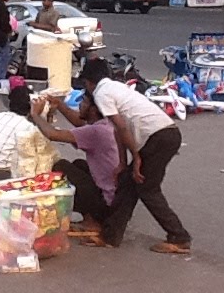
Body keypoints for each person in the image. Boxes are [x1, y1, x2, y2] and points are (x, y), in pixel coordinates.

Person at [79, 58, 191, 254]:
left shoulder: (101, 93)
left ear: (89, 82)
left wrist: (136, 157)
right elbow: (117, 130)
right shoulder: (115, 87)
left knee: (147, 188)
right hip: (165, 134)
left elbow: (121, 126)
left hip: (158, 137)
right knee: (128, 184)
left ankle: (179, 237)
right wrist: (123, 164)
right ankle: (111, 236)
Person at [31, 91, 124, 233]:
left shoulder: (97, 131)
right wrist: (60, 105)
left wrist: (35, 115)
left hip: (106, 203)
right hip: (114, 198)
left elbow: (53, 134)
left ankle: (92, 220)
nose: (80, 105)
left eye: (84, 102)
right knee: (79, 164)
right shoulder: (106, 124)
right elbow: (79, 122)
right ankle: (91, 215)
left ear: (93, 109)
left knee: (61, 166)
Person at [0, 87, 57, 184]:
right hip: (3, 173)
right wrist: (46, 114)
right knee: (41, 155)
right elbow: (46, 142)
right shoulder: (28, 127)